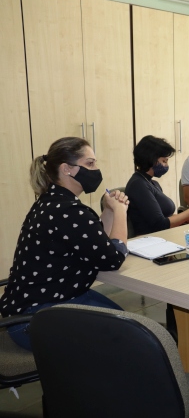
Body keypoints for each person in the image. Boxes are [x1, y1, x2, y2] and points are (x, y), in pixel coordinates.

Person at [0, 137, 129, 350]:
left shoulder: (53, 202)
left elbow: (99, 247)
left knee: (136, 327)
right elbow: (114, 258)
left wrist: (108, 209)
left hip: (53, 301)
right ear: (67, 169)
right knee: (134, 338)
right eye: (90, 163)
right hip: (34, 319)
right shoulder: (68, 211)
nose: (96, 169)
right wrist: (121, 212)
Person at [125, 136, 189, 236]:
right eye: (164, 161)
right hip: (149, 241)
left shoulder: (152, 183)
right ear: (151, 159)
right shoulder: (138, 185)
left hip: (163, 236)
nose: (166, 166)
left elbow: (165, 217)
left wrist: (186, 218)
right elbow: (160, 224)